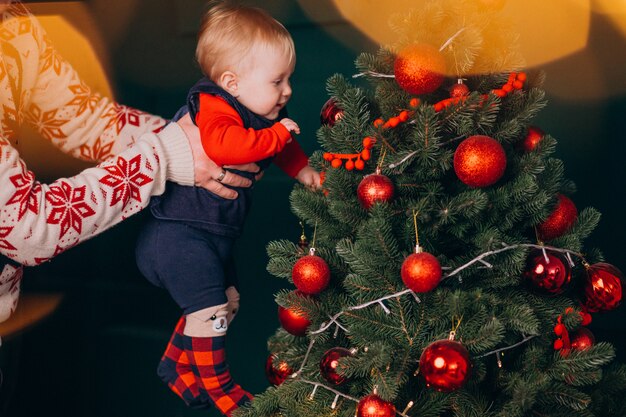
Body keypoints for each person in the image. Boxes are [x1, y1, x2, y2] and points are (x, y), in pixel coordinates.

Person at [0, 1, 258, 323]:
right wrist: (166, 153)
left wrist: (203, 140)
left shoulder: (13, 18)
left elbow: (82, 119)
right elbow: (26, 228)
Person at [135, 3, 321, 416]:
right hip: (177, 237)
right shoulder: (214, 106)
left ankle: (175, 364)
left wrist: (303, 169)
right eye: (278, 81)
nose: (287, 90)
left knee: (229, 302)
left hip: (214, 235)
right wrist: (276, 136)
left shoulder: (263, 113)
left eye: (288, 79)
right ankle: (223, 392)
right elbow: (225, 147)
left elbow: (284, 148)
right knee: (209, 310)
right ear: (231, 83)